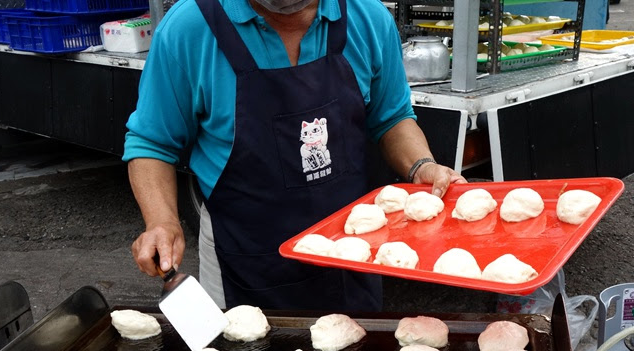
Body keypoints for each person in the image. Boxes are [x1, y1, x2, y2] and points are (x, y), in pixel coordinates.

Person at [123, 0, 466, 312]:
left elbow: (392, 117)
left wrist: (421, 164)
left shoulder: (368, 18)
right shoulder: (190, 28)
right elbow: (152, 143)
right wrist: (162, 221)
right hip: (243, 264)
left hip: (351, 257)